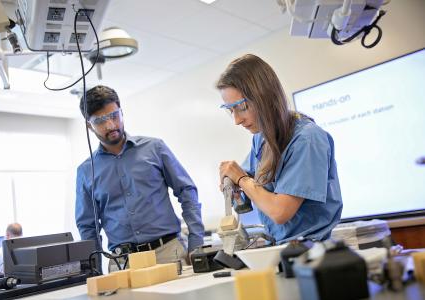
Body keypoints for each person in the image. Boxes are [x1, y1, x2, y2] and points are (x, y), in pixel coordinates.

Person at [217, 54, 343, 244]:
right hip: (279, 245)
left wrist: (241, 179)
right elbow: (250, 181)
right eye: (230, 110)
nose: (237, 120)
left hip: (310, 249)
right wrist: (234, 184)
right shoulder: (261, 138)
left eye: (241, 107)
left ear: (264, 97)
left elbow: (280, 212)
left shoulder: (307, 139)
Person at [75, 85, 204, 270]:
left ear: (121, 111)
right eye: (100, 121)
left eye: (114, 115)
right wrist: (94, 271)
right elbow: (88, 226)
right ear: (89, 125)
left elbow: (186, 191)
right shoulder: (86, 171)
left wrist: (196, 241)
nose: (110, 125)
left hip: (168, 253)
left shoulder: (155, 148)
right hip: (122, 263)